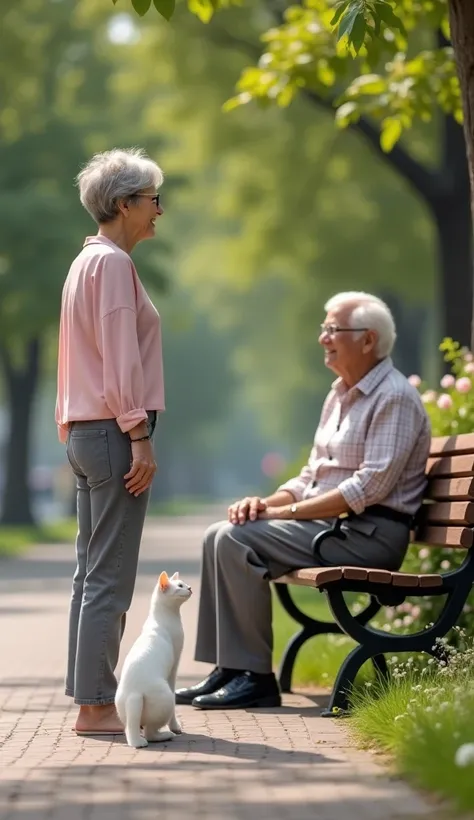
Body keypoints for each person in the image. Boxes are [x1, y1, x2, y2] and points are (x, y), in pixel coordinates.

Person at [176, 291, 431, 711]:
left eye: (333, 329)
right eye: (323, 328)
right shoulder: (338, 395)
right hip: (336, 528)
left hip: (369, 534)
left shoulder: (394, 397)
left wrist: (280, 514)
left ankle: (256, 678)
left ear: (368, 340)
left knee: (235, 540)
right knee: (218, 533)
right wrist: (264, 503)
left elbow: (367, 489)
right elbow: (311, 475)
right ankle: (231, 668)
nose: (323, 338)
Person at [55, 148, 165, 735]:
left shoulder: (83, 262)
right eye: (152, 201)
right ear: (125, 204)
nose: (159, 212)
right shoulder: (115, 266)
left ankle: (90, 699)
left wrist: (68, 424)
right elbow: (120, 361)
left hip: (84, 430)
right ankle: (97, 704)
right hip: (114, 431)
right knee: (110, 574)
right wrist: (139, 434)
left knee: (89, 572)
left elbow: (74, 353)